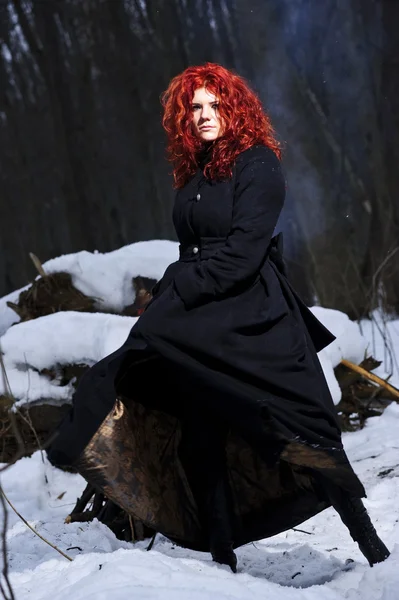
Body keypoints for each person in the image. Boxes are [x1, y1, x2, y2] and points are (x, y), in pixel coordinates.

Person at [46, 62, 390, 574]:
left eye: (213, 105)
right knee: (192, 426)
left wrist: (178, 284)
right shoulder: (196, 172)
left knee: (306, 432)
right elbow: (194, 249)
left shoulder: (259, 164)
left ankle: (373, 551)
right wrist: (173, 287)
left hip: (256, 318)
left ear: (234, 109)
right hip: (198, 315)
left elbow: (244, 252)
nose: (204, 116)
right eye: (195, 108)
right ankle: (221, 558)